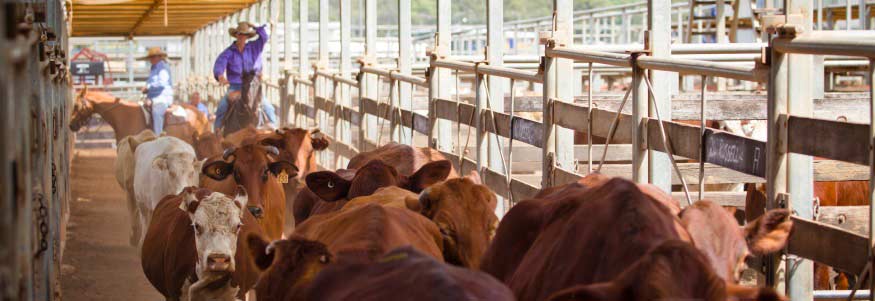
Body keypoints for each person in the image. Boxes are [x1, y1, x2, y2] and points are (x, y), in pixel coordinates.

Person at [213, 21, 277, 130]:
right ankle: (217, 133)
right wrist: (220, 76)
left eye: (245, 35)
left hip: (253, 87)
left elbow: (264, 37)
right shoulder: (228, 52)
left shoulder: (254, 47)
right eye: (241, 34)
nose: (243, 37)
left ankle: (274, 129)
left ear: (248, 37)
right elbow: (220, 64)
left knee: (268, 107)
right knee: (222, 107)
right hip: (235, 87)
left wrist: (255, 27)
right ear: (236, 35)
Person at [140, 47, 174, 134]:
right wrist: (146, 88)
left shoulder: (163, 67)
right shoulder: (153, 68)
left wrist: (148, 87)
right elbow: (151, 82)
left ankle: (158, 136)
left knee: (157, 112)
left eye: (153, 57)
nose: (151, 59)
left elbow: (162, 82)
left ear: (159, 57)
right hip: (153, 97)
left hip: (162, 96)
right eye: (151, 57)